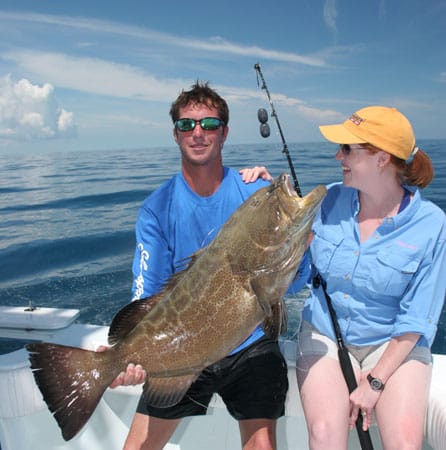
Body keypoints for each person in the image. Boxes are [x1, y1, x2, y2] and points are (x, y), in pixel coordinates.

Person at [109, 81, 309, 450]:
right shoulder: (156, 208)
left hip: (248, 345)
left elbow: (295, 283)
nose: (198, 133)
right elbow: (147, 290)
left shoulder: (254, 193)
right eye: (187, 124)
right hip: (182, 349)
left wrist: (300, 248)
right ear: (175, 134)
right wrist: (127, 353)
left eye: (209, 124)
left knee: (262, 445)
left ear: (225, 132)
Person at [294, 106, 446, 449]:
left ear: (381, 158)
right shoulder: (328, 200)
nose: (338, 155)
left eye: (348, 148)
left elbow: (418, 317)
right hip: (326, 335)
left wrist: (375, 382)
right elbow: (286, 257)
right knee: (323, 435)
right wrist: (256, 186)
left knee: (404, 444)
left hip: (393, 343)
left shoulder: (432, 225)